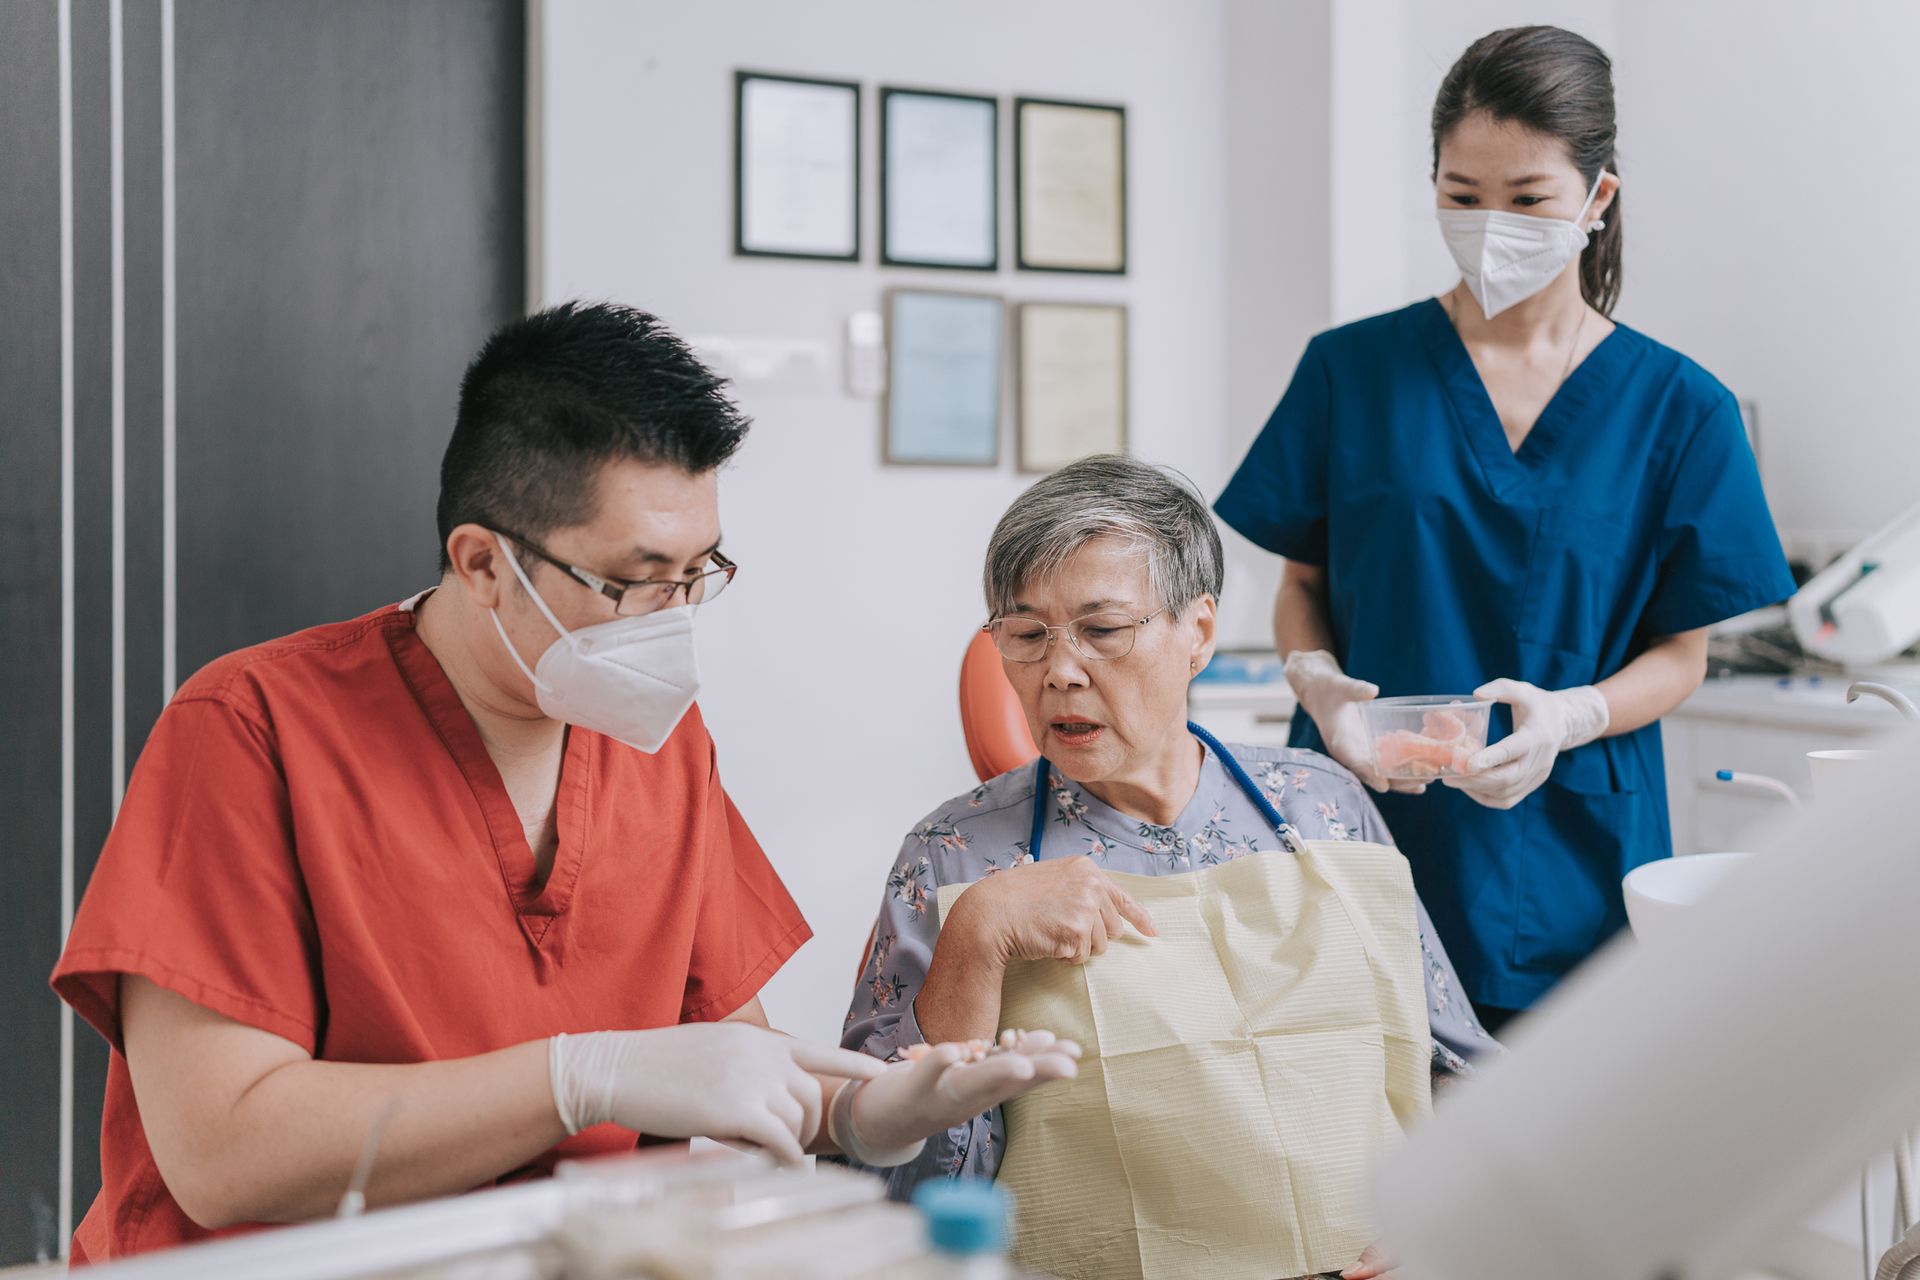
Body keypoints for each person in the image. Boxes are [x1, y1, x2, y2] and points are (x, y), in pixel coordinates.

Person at [50, 302, 1076, 1263]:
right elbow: (222, 1151)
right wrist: (579, 1076)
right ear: (483, 561)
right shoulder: (252, 729)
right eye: (634, 579)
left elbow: (721, 1052)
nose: (670, 617)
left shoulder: (656, 740)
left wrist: (856, 1111)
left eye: (697, 572)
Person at [1213, 26, 1796, 1032]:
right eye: (1461, 194)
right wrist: (1317, 684)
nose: (1492, 225)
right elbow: (1300, 580)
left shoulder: (1679, 407)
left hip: (1569, 850)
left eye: (1527, 200)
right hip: (1362, 821)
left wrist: (1570, 717)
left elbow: (1682, 654)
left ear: (1597, 197)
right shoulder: (1350, 371)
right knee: (1350, 1154)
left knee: (1546, 1161)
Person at [842, 455, 1499, 1280]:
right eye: (1026, 634)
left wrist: (1449, 1210)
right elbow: (884, 1179)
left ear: (1200, 632)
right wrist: (974, 942)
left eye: (1103, 630)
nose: (1061, 671)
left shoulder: (1321, 804)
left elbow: (1459, 1069)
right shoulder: (955, 854)